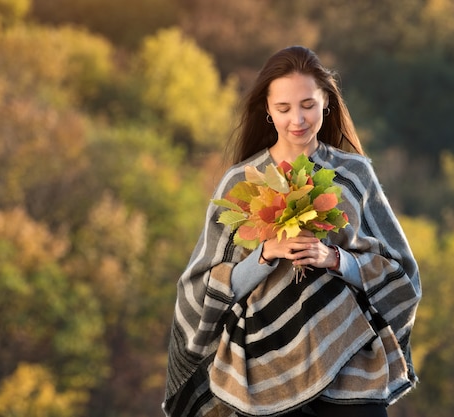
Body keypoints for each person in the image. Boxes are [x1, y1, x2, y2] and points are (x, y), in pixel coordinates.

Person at [163, 46, 421, 417]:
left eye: (308, 105)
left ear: (326, 103)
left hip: (350, 358)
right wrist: (266, 255)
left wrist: (333, 258)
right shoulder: (241, 182)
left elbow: (400, 271)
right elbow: (202, 285)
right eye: (283, 108)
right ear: (267, 110)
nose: (297, 119)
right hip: (263, 367)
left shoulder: (355, 174)